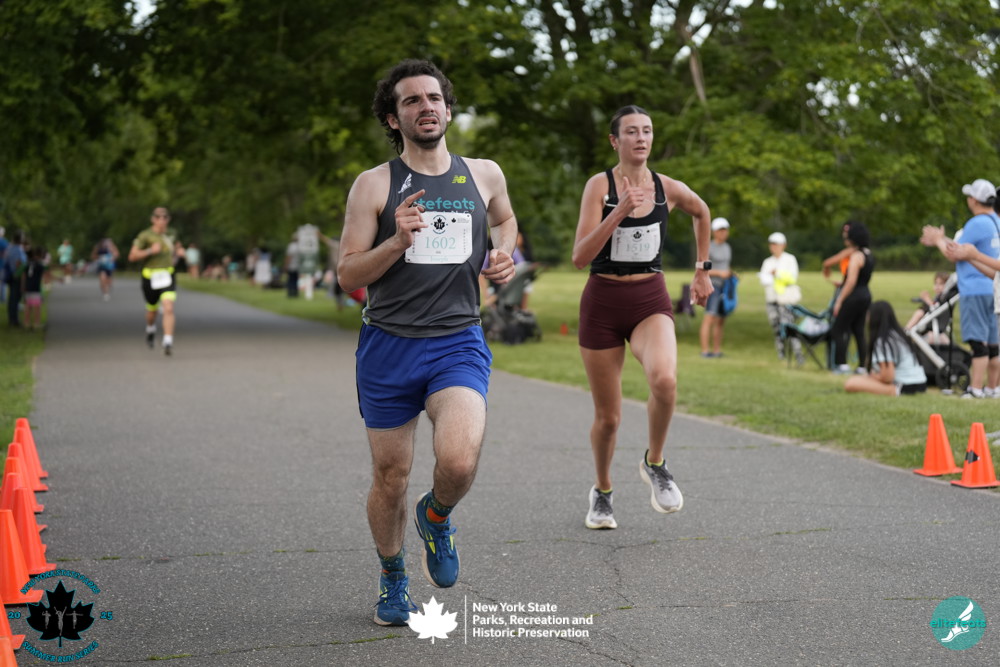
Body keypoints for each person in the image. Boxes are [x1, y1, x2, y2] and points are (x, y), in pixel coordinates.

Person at [337, 59, 517, 627]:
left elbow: (505, 220)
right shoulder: (374, 184)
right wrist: (396, 242)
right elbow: (347, 273)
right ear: (394, 118)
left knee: (458, 460)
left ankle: (436, 516)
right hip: (388, 345)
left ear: (448, 108)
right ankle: (393, 578)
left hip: (456, 340)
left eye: (434, 97)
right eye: (412, 100)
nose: (426, 107)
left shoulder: (484, 174)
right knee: (391, 477)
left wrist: (503, 252)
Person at [571, 105, 712, 531]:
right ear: (615, 141)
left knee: (665, 381)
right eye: (631, 132)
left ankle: (655, 462)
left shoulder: (668, 188)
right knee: (608, 418)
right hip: (602, 304)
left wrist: (702, 270)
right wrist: (618, 211)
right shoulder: (599, 186)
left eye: (647, 131)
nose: (641, 138)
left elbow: (702, 212)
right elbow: (579, 257)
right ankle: (602, 490)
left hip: (649, 299)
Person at [921, 178, 1000, 398]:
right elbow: (965, 248)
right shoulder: (995, 221)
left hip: (974, 289)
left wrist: (939, 240)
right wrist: (941, 238)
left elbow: (955, 253)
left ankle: (975, 389)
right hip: (993, 288)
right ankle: (993, 388)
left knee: (978, 343)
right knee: (994, 344)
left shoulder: (976, 223)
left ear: (974, 200)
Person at [128, 207, 184, 356]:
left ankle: (168, 340)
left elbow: (178, 247)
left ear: (168, 219)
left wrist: (180, 252)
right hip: (150, 277)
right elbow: (132, 256)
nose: (162, 220)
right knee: (152, 310)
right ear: (153, 219)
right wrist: (150, 251)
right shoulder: (145, 236)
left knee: (168, 307)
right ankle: (150, 328)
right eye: (158, 217)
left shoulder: (172, 234)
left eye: (165, 217)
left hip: (168, 275)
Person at [845, 301, 927, 395]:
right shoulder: (897, 335)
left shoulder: (884, 341)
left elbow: (887, 377)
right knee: (859, 379)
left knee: (851, 383)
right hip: (920, 383)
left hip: (905, 386)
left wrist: (873, 376)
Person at [830, 221, 874, 374]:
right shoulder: (868, 254)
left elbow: (851, 281)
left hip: (853, 296)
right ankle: (863, 366)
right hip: (866, 294)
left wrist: (839, 300)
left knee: (838, 329)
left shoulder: (856, 256)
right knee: (859, 331)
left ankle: (841, 364)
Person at [759, 232, 805, 365]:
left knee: (789, 326)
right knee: (776, 327)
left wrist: (777, 273)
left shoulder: (790, 259)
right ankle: (781, 353)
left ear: (783, 245)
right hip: (772, 299)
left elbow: (792, 278)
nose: (774, 247)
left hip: (786, 300)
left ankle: (798, 354)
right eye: (772, 244)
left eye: (776, 244)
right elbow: (763, 279)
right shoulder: (767, 262)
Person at [699, 217, 733, 358]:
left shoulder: (727, 247)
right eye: (720, 230)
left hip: (725, 287)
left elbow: (726, 266)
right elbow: (701, 268)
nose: (723, 233)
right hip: (712, 286)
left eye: (725, 230)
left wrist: (730, 274)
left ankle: (717, 350)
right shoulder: (708, 247)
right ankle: (705, 351)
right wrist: (720, 273)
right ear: (713, 232)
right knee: (710, 317)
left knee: (720, 319)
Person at [903, 271, 951, 345]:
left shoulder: (945, 299)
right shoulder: (939, 297)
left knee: (921, 311)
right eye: (936, 283)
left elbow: (936, 310)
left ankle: (906, 330)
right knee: (922, 309)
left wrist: (927, 300)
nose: (937, 287)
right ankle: (907, 330)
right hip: (931, 323)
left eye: (941, 284)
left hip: (936, 324)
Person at [4, 231, 27, 327]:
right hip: (17, 275)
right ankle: (14, 320)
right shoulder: (17, 249)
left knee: (12, 298)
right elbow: (19, 263)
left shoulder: (10, 247)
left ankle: (12, 318)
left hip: (11, 275)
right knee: (15, 298)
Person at [22, 246, 46, 331]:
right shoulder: (40, 265)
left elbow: (24, 276)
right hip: (36, 288)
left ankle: (26, 323)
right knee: (37, 307)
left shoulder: (28, 264)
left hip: (28, 287)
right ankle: (36, 323)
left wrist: (23, 287)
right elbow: (44, 276)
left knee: (28, 306)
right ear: (41, 255)